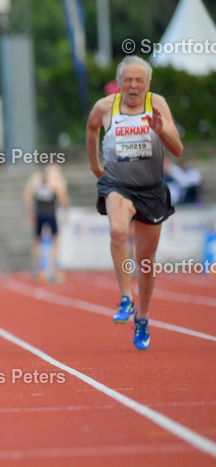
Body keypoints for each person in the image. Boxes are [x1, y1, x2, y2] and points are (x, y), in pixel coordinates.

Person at [86, 55, 182, 351]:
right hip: (117, 184)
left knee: (145, 259)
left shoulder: (158, 104)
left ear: (147, 83)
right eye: (128, 80)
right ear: (120, 83)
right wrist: (95, 166)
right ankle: (126, 298)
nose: (133, 85)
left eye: (139, 80)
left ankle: (143, 316)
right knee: (117, 230)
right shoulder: (105, 107)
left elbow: (177, 149)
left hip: (151, 189)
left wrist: (160, 129)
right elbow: (91, 129)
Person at [24, 163, 69, 282]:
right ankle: (53, 269)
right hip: (50, 214)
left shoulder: (35, 179)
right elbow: (63, 197)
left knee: (37, 241)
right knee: (54, 241)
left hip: (39, 213)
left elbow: (27, 195)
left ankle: (36, 268)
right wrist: (65, 212)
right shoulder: (56, 180)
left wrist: (29, 213)